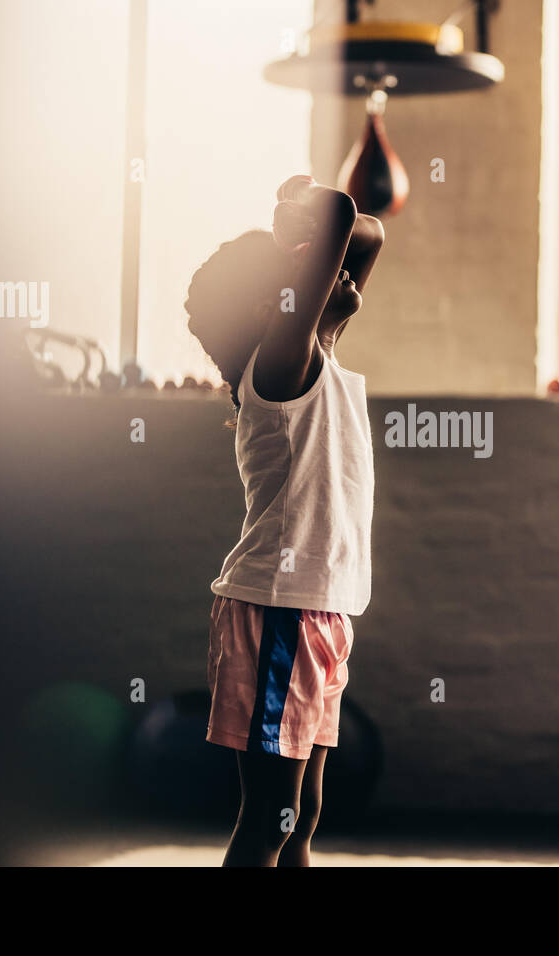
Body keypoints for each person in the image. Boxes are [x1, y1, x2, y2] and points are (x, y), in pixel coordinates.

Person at [184, 175, 383, 866]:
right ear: (281, 302)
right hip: (278, 609)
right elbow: (339, 217)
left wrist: (303, 237)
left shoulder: (317, 353)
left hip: (318, 612)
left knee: (303, 819)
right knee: (270, 818)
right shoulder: (280, 367)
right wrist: (299, 203)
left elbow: (368, 233)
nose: (334, 269)